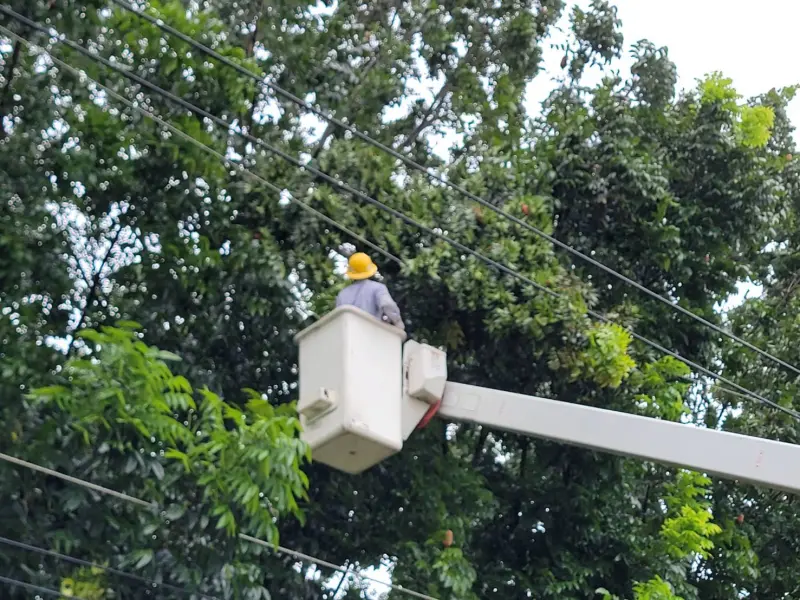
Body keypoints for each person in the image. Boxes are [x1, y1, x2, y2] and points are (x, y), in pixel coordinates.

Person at [335, 252, 405, 330]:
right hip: (372, 334)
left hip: (350, 335)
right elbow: (387, 305)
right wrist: (397, 322)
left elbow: (339, 318)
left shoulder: (342, 294)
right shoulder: (378, 288)